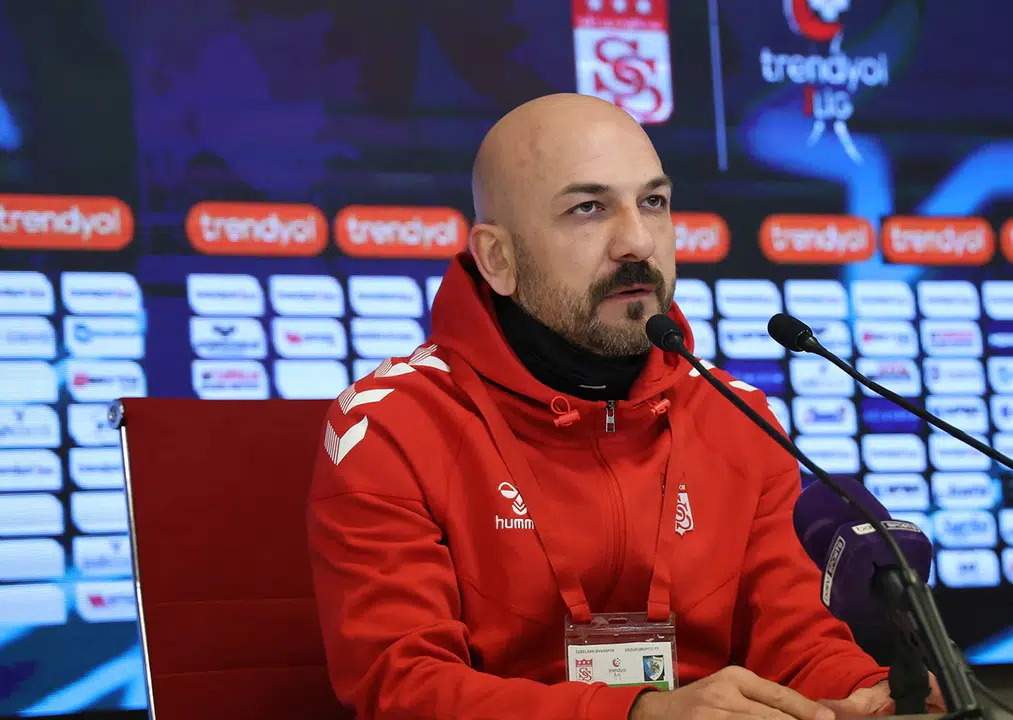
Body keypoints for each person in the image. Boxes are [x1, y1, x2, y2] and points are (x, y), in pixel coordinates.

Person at [307, 93, 945, 719]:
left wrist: (871, 693)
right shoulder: (391, 424)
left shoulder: (735, 414)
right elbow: (404, 687)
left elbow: (796, 640)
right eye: (588, 208)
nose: (637, 242)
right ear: (498, 259)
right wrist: (637, 714)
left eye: (653, 202)